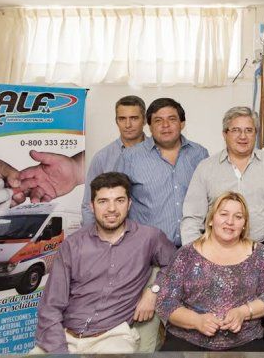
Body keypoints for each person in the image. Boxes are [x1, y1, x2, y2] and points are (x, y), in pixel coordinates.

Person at [32, 172, 176, 354]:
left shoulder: (149, 237)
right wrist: (60, 352)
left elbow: (177, 264)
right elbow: (50, 305)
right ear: (91, 206)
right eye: (103, 201)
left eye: (119, 200)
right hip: (64, 337)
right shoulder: (73, 244)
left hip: (113, 338)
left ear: (129, 203)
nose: (112, 209)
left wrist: (153, 291)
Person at [155, 191, 264, 352]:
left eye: (238, 217)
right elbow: (165, 302)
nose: (230, 221)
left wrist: (243, 312)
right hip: (187, 342)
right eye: (223, 214)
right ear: (211, 219)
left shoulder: (258, 253)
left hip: (245, 343)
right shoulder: (186, 254)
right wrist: (197, 321)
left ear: (244, 224)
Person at [181, 106, 264, 251]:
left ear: (256, 134)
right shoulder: (206, 168)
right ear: (224, 134)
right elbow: (192, 218)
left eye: (249, 130)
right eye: (236, 130)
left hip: (260, 250)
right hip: (217, 251)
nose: (243, 136)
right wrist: (193, 255)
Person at [116, 97, 208, 246]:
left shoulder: (199, 154)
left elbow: (209, 199)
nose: (165, 125)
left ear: (182, 123)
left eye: (172, 119)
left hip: (193, 247)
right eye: (158, 121)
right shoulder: (130, 157)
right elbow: (118, 202)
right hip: (146, 249)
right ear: (150, 126)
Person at [81, 95, 146, 224]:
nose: (128, 125)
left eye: (134, 118)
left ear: (144, 120)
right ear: (116, 121)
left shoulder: (158, 154)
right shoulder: (102, 158)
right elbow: (88, 205)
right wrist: (92, 241)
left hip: (148, 237)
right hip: (109, 238)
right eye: (122, 119)